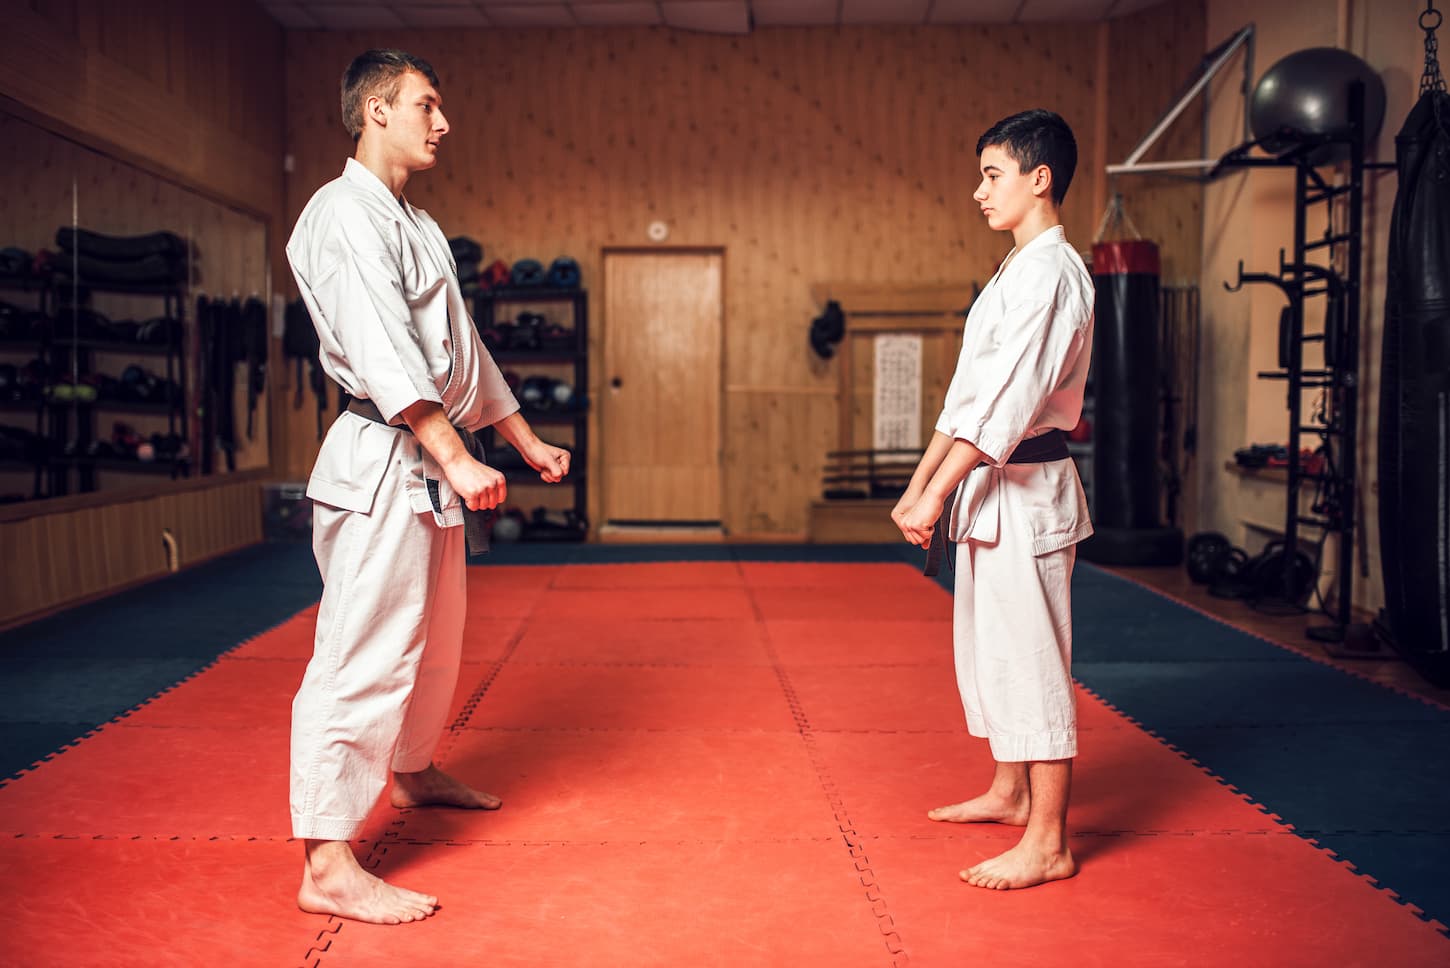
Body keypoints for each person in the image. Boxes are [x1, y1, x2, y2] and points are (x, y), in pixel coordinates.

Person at [286, 49, 570, 924]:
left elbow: (463, 347)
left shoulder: (416, 223)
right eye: (426, 105)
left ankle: (410, 770)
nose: (441, 123)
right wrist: (456, 455)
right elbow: (382, 350)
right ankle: (327, 861)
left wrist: (520, 437)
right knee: (362, 652)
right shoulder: (343, 216)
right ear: (376, 109)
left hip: (424, 461)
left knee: (434, 637)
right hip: (382, 459)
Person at [892, 109, 1094, 891]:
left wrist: (935, 496)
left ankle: (1049, 841)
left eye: (992, 174)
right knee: (994, 654)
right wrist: (920, 489)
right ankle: (1012, 794)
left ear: (1039, 178)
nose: (978, 191)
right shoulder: (1016, 270)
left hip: (1027, 489)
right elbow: (966, 400)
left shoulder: (1051, 274)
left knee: (1033, 660)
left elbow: (1006, 413)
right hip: (992, 491)